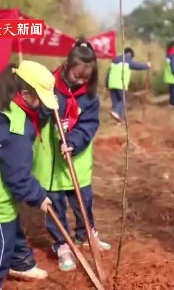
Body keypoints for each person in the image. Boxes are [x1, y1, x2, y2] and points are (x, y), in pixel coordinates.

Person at [0, 60, 57, 289]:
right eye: (40, 100)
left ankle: (21, 263)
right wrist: (38, 196)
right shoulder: (16, 128)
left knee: (10, 226)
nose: (41, 106)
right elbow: (17, 176)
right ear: (25, 95)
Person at [32, 39, 111, 272]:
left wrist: (74, 142)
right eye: (76, 76)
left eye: (85, 78)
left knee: (83, 200)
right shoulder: (49, 85)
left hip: (76, 158)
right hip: (51, 161)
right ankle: (62, 244)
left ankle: (86, 234)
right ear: (67, 66)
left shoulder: (89, 97)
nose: (79, 82)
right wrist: (48, 105)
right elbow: (36, 114)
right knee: (55, 205)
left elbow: (89, 124)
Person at [106, 47, 150, 122]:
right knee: (123, 100)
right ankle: (116, 112)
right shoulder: (127, 58)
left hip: (111, 83)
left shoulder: (114, 59)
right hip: (120, 83)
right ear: (130, 54)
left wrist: (106, 84)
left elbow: (108, 73)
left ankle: (119, 119)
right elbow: (137, 66)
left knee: (116, 102)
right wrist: (147, 65)